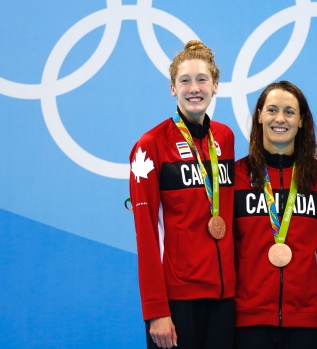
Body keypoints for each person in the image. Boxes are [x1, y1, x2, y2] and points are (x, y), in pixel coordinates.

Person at [128, 40, 236, 349]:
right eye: (185, 80)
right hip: (177, 301)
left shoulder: (225, 139)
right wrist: (156, 309)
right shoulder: (150, 145)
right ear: (172, 89)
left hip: (223, 298)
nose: (194, 88)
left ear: (215, 85)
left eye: (202, 79)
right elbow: (146, 233)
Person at [232, 81, 317, 349]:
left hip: (306, 319)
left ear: (301, 120)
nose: (280, 118)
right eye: (272, 110)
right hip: (249, 319)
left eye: (289, 112)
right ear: (259, 116)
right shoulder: (236, 176)